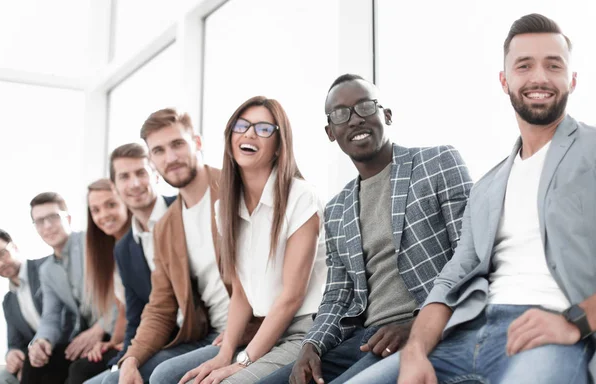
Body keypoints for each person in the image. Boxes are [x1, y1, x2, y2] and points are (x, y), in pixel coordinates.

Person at [348, 13, 596, 384]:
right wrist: (415, 351)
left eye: (553, 65)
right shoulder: (487, 188)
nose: (539, 77)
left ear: (572, 80)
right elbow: (451, 280)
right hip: (463, 335)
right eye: (524, 65)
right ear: (505, 80)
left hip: (549, 334)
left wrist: (575, 321)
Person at [260, 74, 473, 384]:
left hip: (422, 329)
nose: (355, 120)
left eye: (364, 107)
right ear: (331, 132)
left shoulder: (438, 162)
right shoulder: (336, 209)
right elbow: (337, 295)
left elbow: (470, 256)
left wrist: (421, 323)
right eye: (341, 114)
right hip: (363, 340)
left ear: (386, 115)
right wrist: (311, 346)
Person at [150, 96, 328, 384]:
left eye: (263, 129)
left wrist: (242, 361)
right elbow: (241, 295)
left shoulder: (301, 196)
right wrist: (226, 353)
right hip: (262, 332)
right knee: (164, 377)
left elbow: (292, 296)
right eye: (241, 126)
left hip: (305, 329)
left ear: (279, 145)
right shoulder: (225, 209)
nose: (249, 134)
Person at [104, 109, 244, 384]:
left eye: (177, 144)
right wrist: (131, 358)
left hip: (248, 331)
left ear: (197, 143)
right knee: (116, 379)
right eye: (158, 151)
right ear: (152, 160)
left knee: (164, 377)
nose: (170, 158)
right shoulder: (167, 226)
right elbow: (160, 307)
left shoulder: (235, 189)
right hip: (209, 335)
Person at [83, 143, 178, 384]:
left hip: (192, 333)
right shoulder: (124, 248)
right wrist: (123, 359)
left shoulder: (181, 210)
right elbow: (134, 315)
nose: (134, 184)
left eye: (141, 173)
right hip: (158, 337)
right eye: (125, 177)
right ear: (115, 186)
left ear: (156, 175)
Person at [23, 192, 112, 384]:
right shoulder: (47, 270)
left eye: (53, 217)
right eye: (39, 221)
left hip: (115, 329)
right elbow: (51, 317)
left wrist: (100, 328)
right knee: (35, 364)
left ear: (68, 218)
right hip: (87, 334)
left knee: (79, 370)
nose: (47, 226)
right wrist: (41, 341)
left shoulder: (94, 244)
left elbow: (122, 296)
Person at [66, 179, 131, 383]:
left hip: (155, 335)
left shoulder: (140, 243)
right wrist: (113, 342)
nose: (103, 215)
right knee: (80, 367)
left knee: (83, 373)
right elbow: (123, 309)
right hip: (132, 336)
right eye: (95, 210)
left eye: (110, 205)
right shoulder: (109, 253)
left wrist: (129, 344)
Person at [0, 228, 49, 384]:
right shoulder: (8, 301)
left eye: (2, 254)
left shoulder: (45, 268)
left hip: (59, 347)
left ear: (15, 247)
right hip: (35, 358)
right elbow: (15, 343)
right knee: (1, 378)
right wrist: (12, 354)